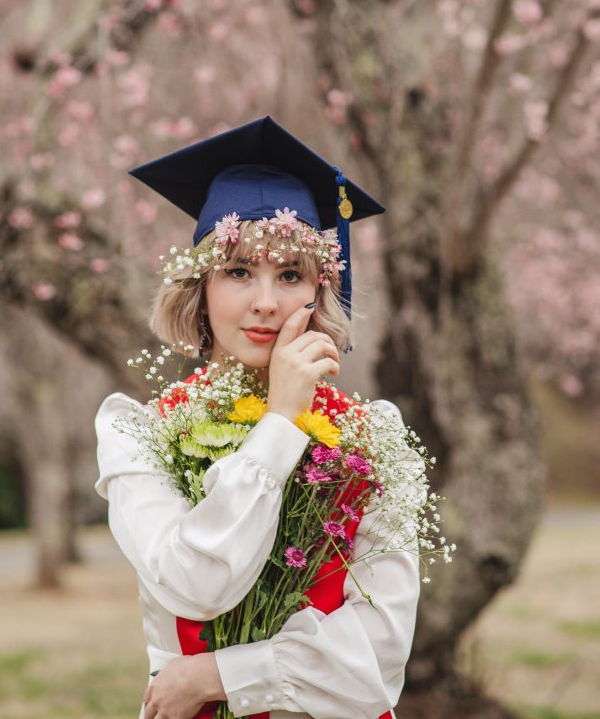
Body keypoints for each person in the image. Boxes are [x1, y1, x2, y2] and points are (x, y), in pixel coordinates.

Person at [95, 116, 421, 719]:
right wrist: (282, 422)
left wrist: (220, 675)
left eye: (290, 274)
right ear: (200, 288)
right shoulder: (137, 432)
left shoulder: (375, 436)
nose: (266, 302)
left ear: (318, 293)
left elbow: (382, 650)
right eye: (239, 271)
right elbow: (194, 583)